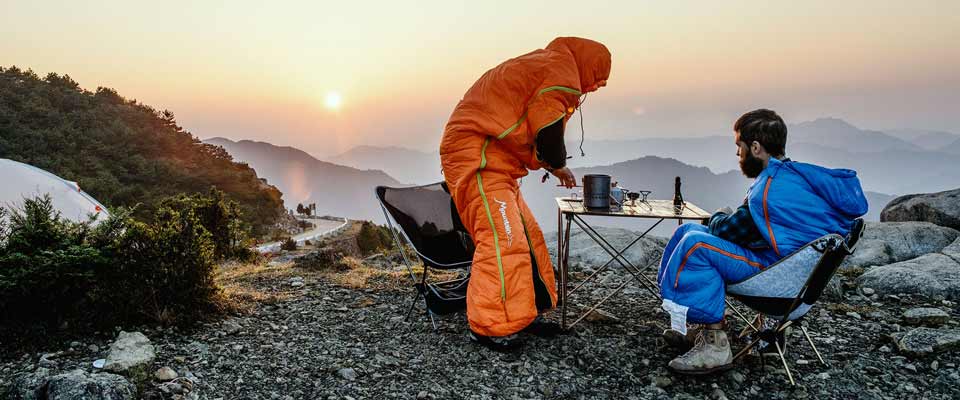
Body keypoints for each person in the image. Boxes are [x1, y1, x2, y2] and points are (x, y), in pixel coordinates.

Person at [656, 109, 867, 374]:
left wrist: (719, 215)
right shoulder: (796, 179)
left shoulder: (770, 191)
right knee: (686, 230)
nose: (737, 155)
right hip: (798, 280)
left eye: (739, 147)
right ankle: (701, 326)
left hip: (778, 286)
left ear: (755, 147)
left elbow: (730, 231)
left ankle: (715, 344)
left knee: (695, 245)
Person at [439, 37, 611, 351]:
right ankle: (489, 325)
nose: (596, 88)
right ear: (590, 66)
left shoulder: (551, 66)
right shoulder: (561, 74)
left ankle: (522, 313)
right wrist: (556, 162)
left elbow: (531, 126)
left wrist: (553, 167)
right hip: (476, 158)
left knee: (528, 238)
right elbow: (547, 134)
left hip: (497, 162)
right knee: (503, 240)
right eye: (598, 79)